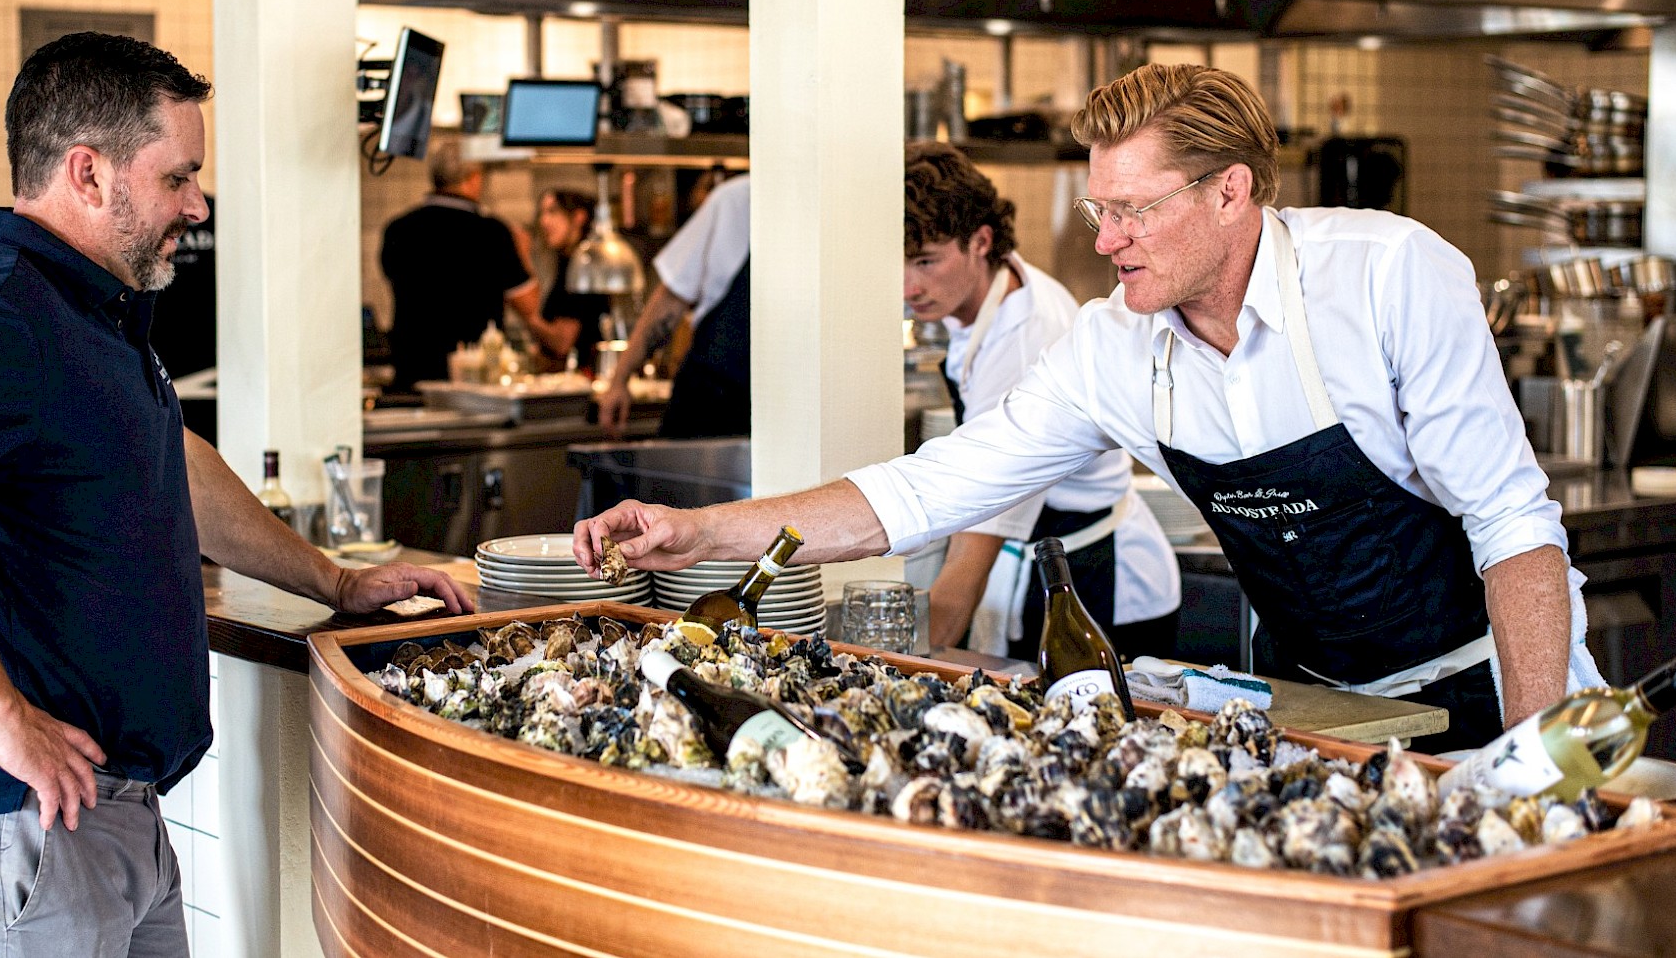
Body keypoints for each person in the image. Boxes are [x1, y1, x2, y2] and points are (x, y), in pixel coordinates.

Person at [578, 64, 1602, 756]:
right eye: (1096, 211)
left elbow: (1510, 522)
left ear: (1229, 191)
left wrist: (1533, 757)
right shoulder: (1116, 343)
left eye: (1132, 210)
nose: (1106, 241)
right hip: (1316, 700)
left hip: (1490, 684)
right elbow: (930, 487)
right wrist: (698, 531)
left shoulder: (1387, 277)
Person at [0, 32, 472, 957]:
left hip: (107, 814)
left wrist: (333, 581)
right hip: (25, 818)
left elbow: (177, 465)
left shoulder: (94, 311)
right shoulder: (3, 307)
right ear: (88, 173)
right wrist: (3, 717)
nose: (197, 205)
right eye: (177, 177)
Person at [902, 143, 1180, 660]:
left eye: (925, 261)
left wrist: (911, 662)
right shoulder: (987, 294)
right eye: (897, 261)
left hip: (1102, 583)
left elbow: (976, 545)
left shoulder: (1025, 332)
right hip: (1052, 561)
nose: (908, 285)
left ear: (980, 241)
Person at [380, 139, 547, 390]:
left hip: (413, 375)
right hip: (475, 383)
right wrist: (522, 252)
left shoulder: (398, 230)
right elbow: (528, 305)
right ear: (473, 178)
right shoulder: (492, 233)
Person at [598, 173, 751, 439]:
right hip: (707, 401)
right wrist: (619, 380)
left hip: (777, 413)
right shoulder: (736, 200)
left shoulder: (834, 212)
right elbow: (671, 300)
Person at [528, 187, 609, 372]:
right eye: (542, 213)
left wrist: (526, 312)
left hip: (584, 379)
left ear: (579, 217)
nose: (544, 221)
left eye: (553, 211)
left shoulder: (585, 266)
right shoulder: (565, 263)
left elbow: (562, 343)